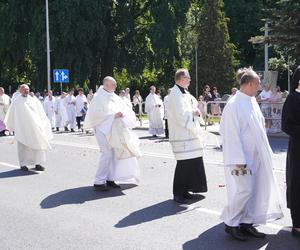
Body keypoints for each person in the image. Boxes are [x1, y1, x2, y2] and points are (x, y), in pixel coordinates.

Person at [219, 68, 283, 241]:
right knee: (243, 190)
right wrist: (238, 160)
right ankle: (231, 223)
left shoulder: (251, 101)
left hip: (256, 156)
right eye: (258, 84)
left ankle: (247, 222)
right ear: (249, 84)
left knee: (254, 190)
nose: (260, 86)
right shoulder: (233, 105)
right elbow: (230, 134)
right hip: (242, 159)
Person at [83, 76, 141, 191]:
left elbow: (125, 108)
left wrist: (123, 114)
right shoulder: (98, 97)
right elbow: (96, 114)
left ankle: (110, 178)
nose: (116, 86)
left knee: (114, 153)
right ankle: (99, 182)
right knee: (107, 154)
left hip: (114, 129)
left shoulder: (113, 96)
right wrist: (113, 115)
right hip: (102, 129)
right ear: (106, 85)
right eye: (113, 85)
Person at [168, 69, 207, 203]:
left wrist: (195, 111)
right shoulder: (175, 94)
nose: (190, 80)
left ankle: (187, 190)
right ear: (181, 78)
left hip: (190, 133)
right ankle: (178, 193)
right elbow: (181, 115)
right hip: (181, 134)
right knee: (183, 163)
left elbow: (193, 106)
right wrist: (193, 112)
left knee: (192, 162)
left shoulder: (185, 93)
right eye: (188, 77)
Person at [4, 84, 52, 171]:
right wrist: (10, 127)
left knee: (38, 145)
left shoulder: (34, 100)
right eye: (24, 89)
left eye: (27, 89)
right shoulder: (16, 101)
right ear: (20, 91)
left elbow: (40, 112)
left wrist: (43, 123)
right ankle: (23, 164)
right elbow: (11, 115)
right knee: (23, 147)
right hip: (22, 128)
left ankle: (38, 164)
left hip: (35, 128)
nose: (26, 91)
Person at [281, 65, 300, 238]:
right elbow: (285, 125)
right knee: (297, 185)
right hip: (298, 150)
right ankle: (297, 225)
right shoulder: (293, 98)